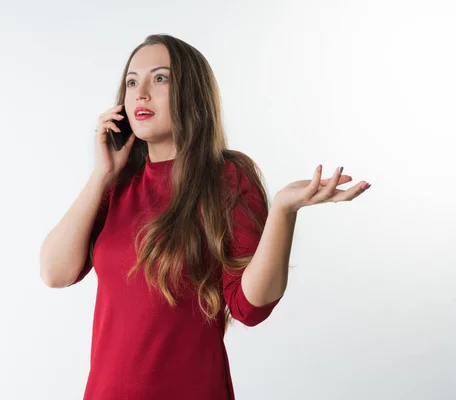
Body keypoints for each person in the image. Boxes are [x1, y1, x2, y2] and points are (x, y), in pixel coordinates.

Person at [39, 33, 370, 400]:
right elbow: (55, 273)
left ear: (191, 93)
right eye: (132, 82)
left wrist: (282, 212)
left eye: (160, 78)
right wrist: (102, 175)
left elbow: (249, 307)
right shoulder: (118, 185)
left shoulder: (227, 177)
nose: (141, 93)